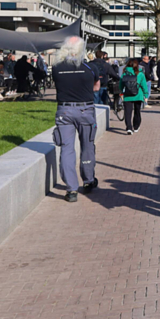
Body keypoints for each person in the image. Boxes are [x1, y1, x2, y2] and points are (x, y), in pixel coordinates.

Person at [50, 37, 100, 202]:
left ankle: (71, 190)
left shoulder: (56, 68)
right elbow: (96, 87)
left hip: (64, 110)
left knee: (66, 148)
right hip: (85, 109)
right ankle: (88, 180)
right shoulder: (90, 67)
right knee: (87, 145)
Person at [120, 58, 149, 134]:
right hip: (138, 95)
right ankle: (136, 126)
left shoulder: (124, 74)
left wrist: (121, 92)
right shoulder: (140, 74)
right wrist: (146, 95)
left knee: (127, 112)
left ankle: (129, 127)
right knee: (137, 111)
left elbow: (120, 85)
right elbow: (144, 86)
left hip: (127, 95)